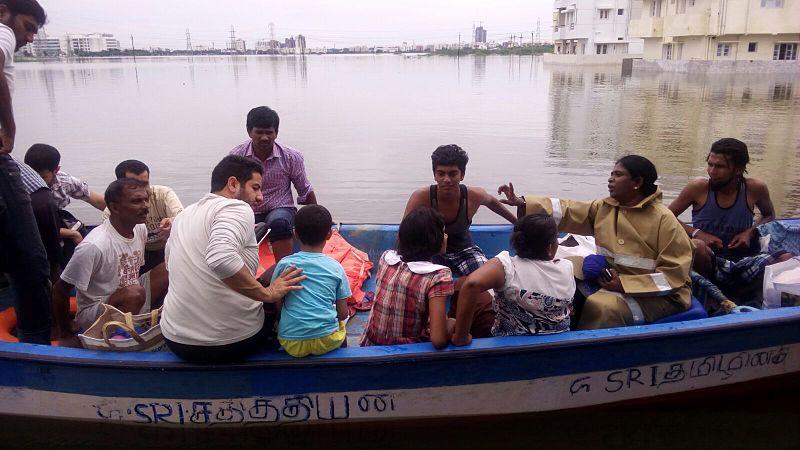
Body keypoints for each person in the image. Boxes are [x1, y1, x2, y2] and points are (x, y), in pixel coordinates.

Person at [499, 155, 693, 329]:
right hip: (609, 276)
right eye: (611, 174)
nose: (610, 179)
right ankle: (552, 324)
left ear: (637, 182)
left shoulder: (665, 220)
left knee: (603, 307)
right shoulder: (606, 207)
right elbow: (568, 210)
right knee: (564, 267)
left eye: (618, 175)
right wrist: (523, 203)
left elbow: (674, 277)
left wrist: (624, 284)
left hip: (658, 295)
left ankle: (584, 350)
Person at [160, 155, 305, 363]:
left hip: (177, 340)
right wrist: (268, 293)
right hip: (231, 343)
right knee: (285, 269)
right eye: (255, 188)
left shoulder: (183, 216)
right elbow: (221, 259)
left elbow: (170, 264)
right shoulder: (236, 208)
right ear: (233, 184)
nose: (260, 197)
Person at [668, 138, 794, 309]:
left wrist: (750, 231)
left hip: (744, 259)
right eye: (710, 164)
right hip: (710, 261)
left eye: (719, 167)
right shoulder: (698, 188)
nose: (712, 171)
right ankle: (710, 297)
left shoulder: (754, 188)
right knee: (696, 246)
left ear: (738, 169)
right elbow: (667, 216)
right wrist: (698, 233)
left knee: (785, 258)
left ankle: (752, 299)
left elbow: (768, 215)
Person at [52, 178, 169, 337]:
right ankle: (118, 335)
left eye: (146, 200)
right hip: (96, 313)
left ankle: (152, 319)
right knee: (134, 293)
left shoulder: (140, 229)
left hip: (131, 296)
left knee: (170, 266)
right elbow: (60, 290)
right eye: (136, 201)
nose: (146, 206)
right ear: (114, 207)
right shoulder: (94, 246)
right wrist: (65, 334)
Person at [0, 0, 51, 344]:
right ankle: (38, 351)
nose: (30, 37)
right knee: (31, 264)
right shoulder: (2, 30)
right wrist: (10, 126)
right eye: (28, 26)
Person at [451, 214, 575, 346]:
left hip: (508, 339)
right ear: (550, 247)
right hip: (558, 338)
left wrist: (461, 337)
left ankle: (454, 329)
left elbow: (471, 284)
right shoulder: (567, 267)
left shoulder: (508, 267)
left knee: (462, 283)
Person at [403, 144, 517, 277]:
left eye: (453, 174)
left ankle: (462, 289)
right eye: (441, 174)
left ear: (462, 175)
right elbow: (404, 233)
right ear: (434, 175)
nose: (446, 180)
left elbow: (492, 202)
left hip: (465, 252)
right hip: (431, 253)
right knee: (418, 280)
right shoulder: (421, 197)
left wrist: (516, 221)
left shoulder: (473, 195)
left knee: (485, 278)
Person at [230, 106, 316, 264]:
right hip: (247, 209)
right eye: (259, 132)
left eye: (269, 132)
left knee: (279, 223)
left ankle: (283, 270)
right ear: (249, 131)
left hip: (280, 209)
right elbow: (226, 192)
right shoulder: (236, 157)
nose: (264, 137)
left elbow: (305, 190)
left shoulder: (291, 157)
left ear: (276, 133)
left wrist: (317, 222)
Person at [361, 207, 454, 349]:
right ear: (436, 239)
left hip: (369, 344)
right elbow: (438, 340)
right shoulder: (438, 276)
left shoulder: (386, 258)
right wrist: (452, 325)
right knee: (451, 322)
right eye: (443, 233)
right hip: (407, 352)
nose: (446, 236)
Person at [271, 204, 351, 357]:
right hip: (326, 341)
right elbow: (342, 313)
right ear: (329, 235)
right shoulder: (336, 268)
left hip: (291, 343)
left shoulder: (284, 264)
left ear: (296, 234)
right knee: (340, 326)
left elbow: (278, 304)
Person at [24, 143, 106, 265]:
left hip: (53, 224)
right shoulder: (16, 186)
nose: (36, 182)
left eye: (42, 177)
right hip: (27, 230)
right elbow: (29, 226)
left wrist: (122, 215)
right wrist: (72, 234)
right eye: (32, 176)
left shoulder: (65, 182)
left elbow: (98, 201)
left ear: (56, 170)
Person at [103, 160, 183, 273]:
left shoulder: (163, 195)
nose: (143, 191)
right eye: (135, 185)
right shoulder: (110, 214)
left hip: (164, 247)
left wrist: (174, 223)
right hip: (134, 254)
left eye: (145, 184)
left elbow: (183, 218)